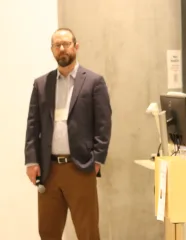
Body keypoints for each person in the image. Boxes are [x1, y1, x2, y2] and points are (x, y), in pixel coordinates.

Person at [24, 27, 112, 240]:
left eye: (66, 44)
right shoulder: (42, 84)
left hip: (80, 168)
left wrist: (97, 159)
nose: (62, 49)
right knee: (48, 232)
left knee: (87, 231)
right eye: (57, 45)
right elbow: (32, 125)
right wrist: (31, 161)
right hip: (49, 170)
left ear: (76, 46)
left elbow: (104, 123)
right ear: (52, 50)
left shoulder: (93, 82)